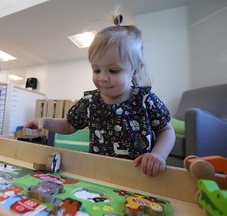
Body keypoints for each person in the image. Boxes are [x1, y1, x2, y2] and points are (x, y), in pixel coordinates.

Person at [25, 15, 175, 177]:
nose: (102, 77)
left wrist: (159, 155)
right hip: (100, 173)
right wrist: (46, 121)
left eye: (113, 70)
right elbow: (69, 125)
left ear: (135, 70)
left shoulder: (145, 99)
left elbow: (166, 130)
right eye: (96, 70)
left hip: (139, 175)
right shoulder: (90, 102)